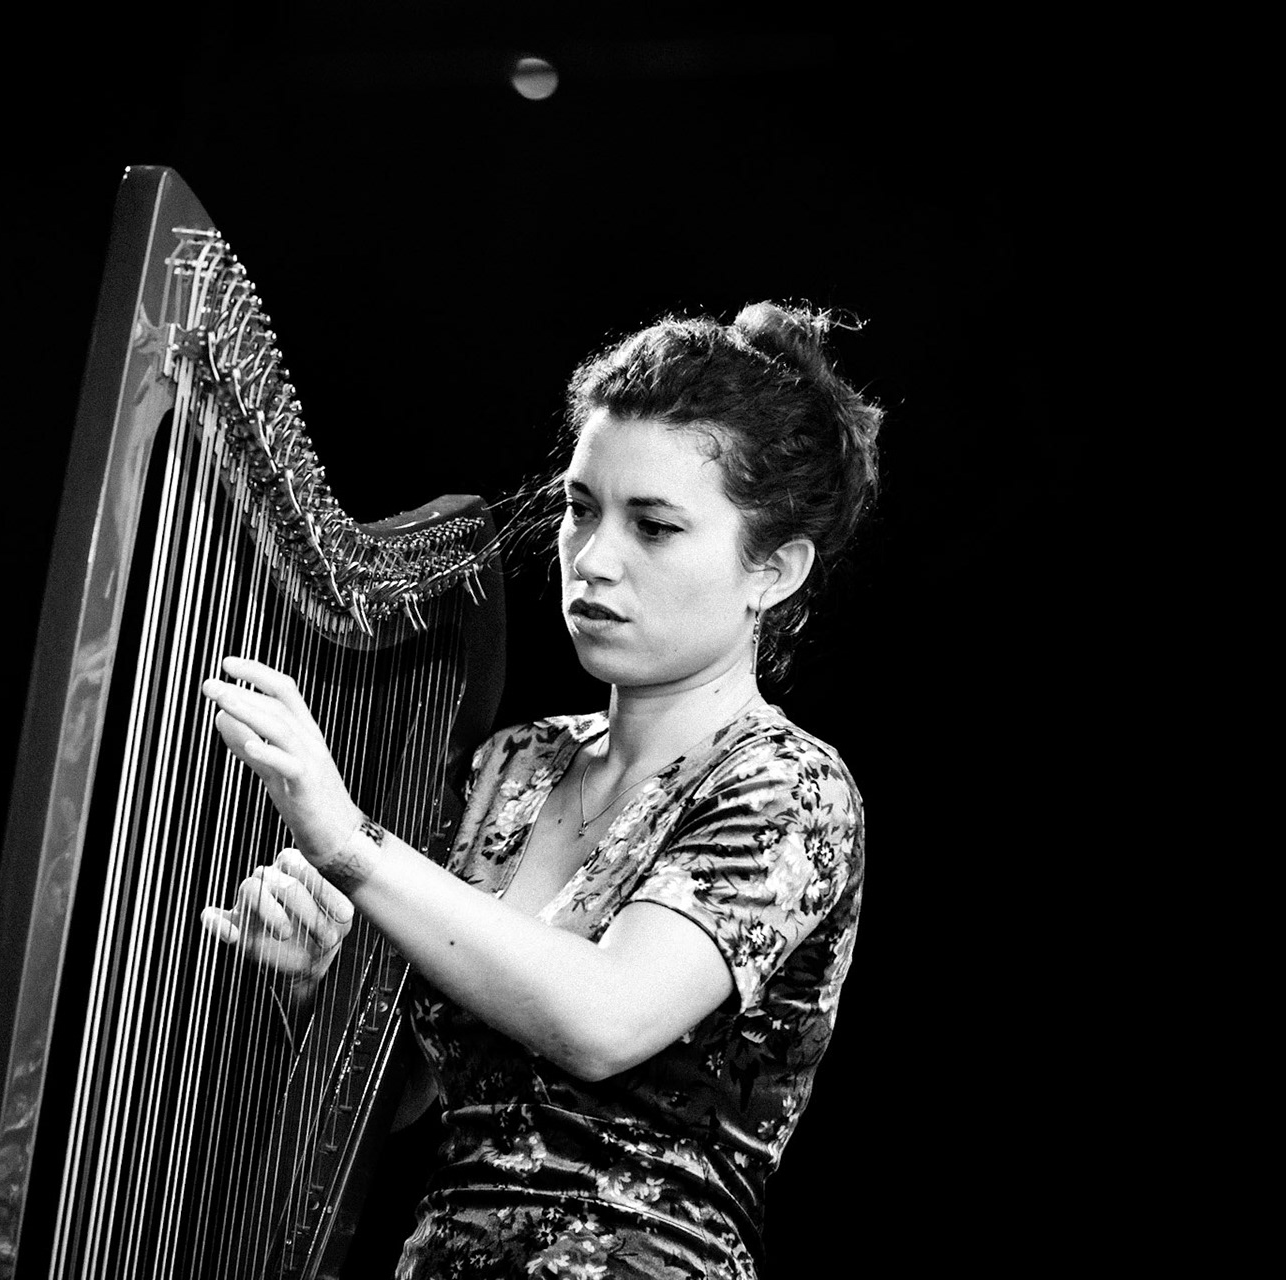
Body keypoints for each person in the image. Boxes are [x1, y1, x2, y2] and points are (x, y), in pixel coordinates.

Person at [199, 301, 882, 1279]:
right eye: (580, 507)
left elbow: (602, 1018)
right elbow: (419, 1101)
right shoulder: (513, 768)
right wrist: (319, 980)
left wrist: (351, 842)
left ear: (772, 568)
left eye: (654, 525)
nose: (594, 558)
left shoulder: (790, 787)